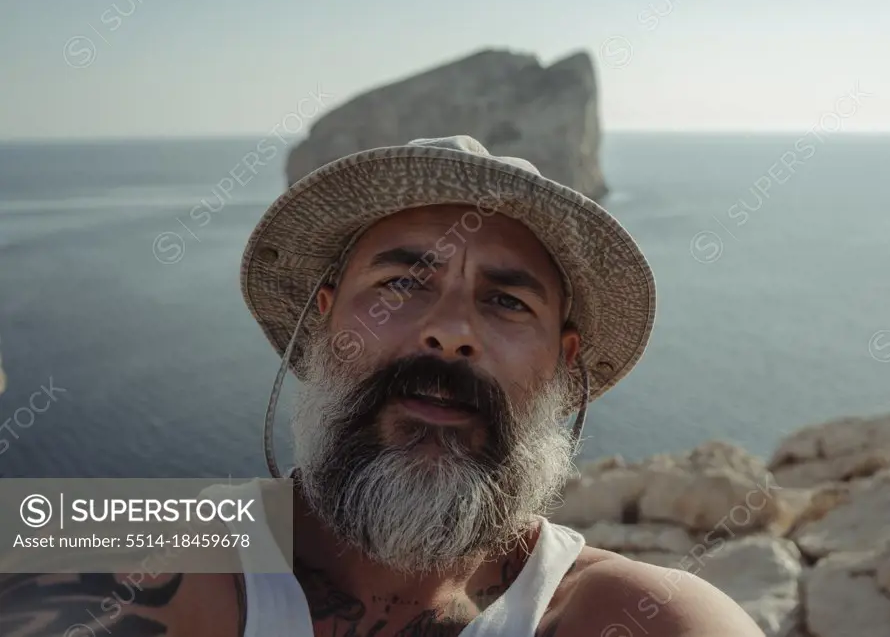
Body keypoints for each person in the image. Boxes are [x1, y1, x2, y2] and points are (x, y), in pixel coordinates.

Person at [1, 136, 764, 636]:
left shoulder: (648, 619)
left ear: (565, 370)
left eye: (506, 301)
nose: (449, 330)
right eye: (402, 282)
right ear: (323, 323)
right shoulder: (112, 537)